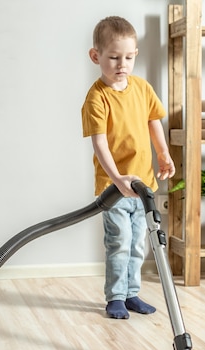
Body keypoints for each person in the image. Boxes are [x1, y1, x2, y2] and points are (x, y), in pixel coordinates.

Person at [81, 16, 175, 319]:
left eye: (129, 57)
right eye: (113, 57)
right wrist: (117, 179)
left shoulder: (142, 88)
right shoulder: (97, 98)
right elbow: (100, 143)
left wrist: (163, 153)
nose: (122, 64)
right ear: (96, 56)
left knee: (138, 244)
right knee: (118, 242)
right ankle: (115, 298)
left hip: (144, 184)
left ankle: (132, 293)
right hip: (115, 188)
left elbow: (153, 121)